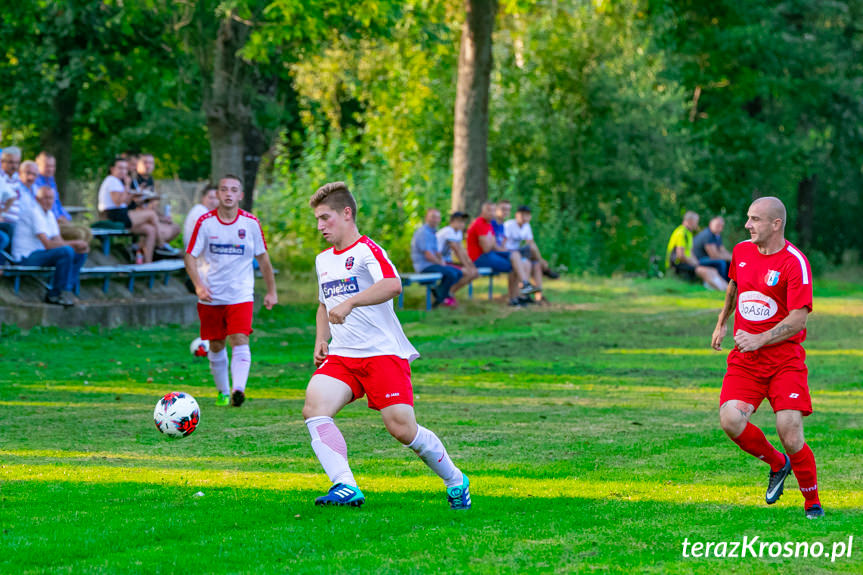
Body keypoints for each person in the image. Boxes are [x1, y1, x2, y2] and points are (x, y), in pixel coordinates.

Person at [303, 181, 470, 510]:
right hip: (344, 356)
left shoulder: (367, 251)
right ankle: (345, 485)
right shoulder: (323, 260)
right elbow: (323, 304)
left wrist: (351, 303)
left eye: (325, 218)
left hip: (382, 354)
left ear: (346, 214)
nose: (320, 226)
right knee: (314, 409)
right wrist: (321, 338)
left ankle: (455, 480)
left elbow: (392, 285)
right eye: (318, 220)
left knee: (402, 429)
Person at [711, 196, 823, 519]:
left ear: (776, 224)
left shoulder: (794, 263)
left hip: (784, 360)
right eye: (748, 218)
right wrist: (721, 324)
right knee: (730, 419)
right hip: (746, 360)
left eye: (755, 219)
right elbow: (734, 288)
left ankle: (812, 501)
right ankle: (777, 464)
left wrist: (760, 338)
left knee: (789, 429)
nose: (748, 225)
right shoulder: (742, 252)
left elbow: (799, 319)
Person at [185, 174, 277, 408]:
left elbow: (263, 259)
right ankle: (223, 391)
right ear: (217, 194)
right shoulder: (205, 223)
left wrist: (271, 291)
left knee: (240, 337)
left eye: (233, 189)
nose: (228, 194)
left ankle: (239, 389)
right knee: (216, 343)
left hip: (241, 294)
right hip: (211, 295)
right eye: (223, 189)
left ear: (241, 195)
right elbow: (190, 256)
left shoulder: (250, 223)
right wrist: (198, 285)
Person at [12, 185, 89, 306]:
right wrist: (74, 243)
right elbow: (48, 244)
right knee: (66, 251)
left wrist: (78, 247)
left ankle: (67, 290)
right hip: (26, 256)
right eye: (45, 198)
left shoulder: (50, 214)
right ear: (37, 199)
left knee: (79, 253)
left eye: (51, 198)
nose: (48, 201)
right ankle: (55, 294)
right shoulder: (34, 212)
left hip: (41, 254)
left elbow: (58, 241)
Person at [466, 201, 536, 307]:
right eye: (489, 210)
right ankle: (516, 295)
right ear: (483, 211)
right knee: (515, 263)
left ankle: (520, 292)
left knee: (517, 257)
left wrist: (495, 244)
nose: (492, 213)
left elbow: (496, 244)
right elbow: (487, 248)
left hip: (491, 254)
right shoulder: (482, 223)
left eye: (493, 210)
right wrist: (493, 244)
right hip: (480, 257)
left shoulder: (495, 225)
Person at [98, 157, 163, 263]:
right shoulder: (111, 180)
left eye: (125, 169)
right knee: (151, 214)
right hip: (113, 215)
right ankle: (161, 243)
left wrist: (136, 194)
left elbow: (125, 202)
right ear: (112, 169)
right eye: (120, 168)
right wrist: (128, 186)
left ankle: (147, 263)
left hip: (120, 213)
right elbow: (117, 202)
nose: (123, 171)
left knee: (150, 230)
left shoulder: (117, 181)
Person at [34, 152, 92, 243]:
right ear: (37, 165)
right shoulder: (35, 183)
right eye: (47, 166)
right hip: (49, 223)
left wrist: (65, 217)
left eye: (53, 166)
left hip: (60, 220)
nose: (50, 169)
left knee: (87, 231)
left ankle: (79, 254)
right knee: (79, 233)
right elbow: (43, 206)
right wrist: (59, 218)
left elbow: (57, 204)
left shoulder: (51, 181)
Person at [410, 208, 462, 307]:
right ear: (426, 218)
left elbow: (436, 251)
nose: (435, 220)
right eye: (433, 217)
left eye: (437, 217)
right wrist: (440, 263)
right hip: (424, 266)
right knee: (451, 274)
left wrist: (441, 260)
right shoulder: (423, 232)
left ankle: (440, 294)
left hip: (432, 264)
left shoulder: (432, 232)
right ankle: (440, 298)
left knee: (458, 272)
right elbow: (428, 255)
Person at [503, 206, 555, 304]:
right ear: (516, 215)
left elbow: (531, 243)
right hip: (508, 252)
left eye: (526, 215)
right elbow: (502, 244)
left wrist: (539, 259)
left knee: (535, 264)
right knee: (526, 263)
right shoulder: (509, 225)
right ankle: (523, 293)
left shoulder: (526, 226)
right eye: (522, 214)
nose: (524, 217)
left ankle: (537, 297)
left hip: (518, 252)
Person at [666, 211, 727, 291]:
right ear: (690, 221)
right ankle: (721, 290)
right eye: (696, 222)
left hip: (685, 262)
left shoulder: (688, 233)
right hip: (677, 265)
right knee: (705, 271)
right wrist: (695, 264)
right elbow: (680, 255)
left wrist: (696, 263)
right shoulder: (681, 232)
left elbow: (690, 253)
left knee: (713, 270)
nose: (697, 224)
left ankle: (727, 289)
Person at [436, 211, 479, 298]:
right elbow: (456, 250)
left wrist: (471, 265)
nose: (462, 224)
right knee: (469, 273)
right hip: (438, 261)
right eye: (459, 221)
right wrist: (467, 266)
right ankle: (446, 295)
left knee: (474, 273)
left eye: (463, 221)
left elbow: (462, 250)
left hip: (447, 261)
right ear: (452, 221)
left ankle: (447, 293)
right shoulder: (448, 231)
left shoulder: (458, 233)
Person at [693, 216, 732, 281]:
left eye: (721, 225)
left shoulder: (717, 235)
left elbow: (723, 251)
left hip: (707, 258)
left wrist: (733, 258)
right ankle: (723, 283)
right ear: (711, 223)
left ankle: (731, 284)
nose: (720, 227)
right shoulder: (708, 235)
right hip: (698, 259)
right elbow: (714, 255)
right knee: (721, 263)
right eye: (717, 225)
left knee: (730, 262)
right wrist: (730, 257)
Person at [183, 183, 219, 248]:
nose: (213, 201)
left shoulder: (209, 212)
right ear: (203, 198)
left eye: (216, 198)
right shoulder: (200, 210)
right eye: (210, 198)